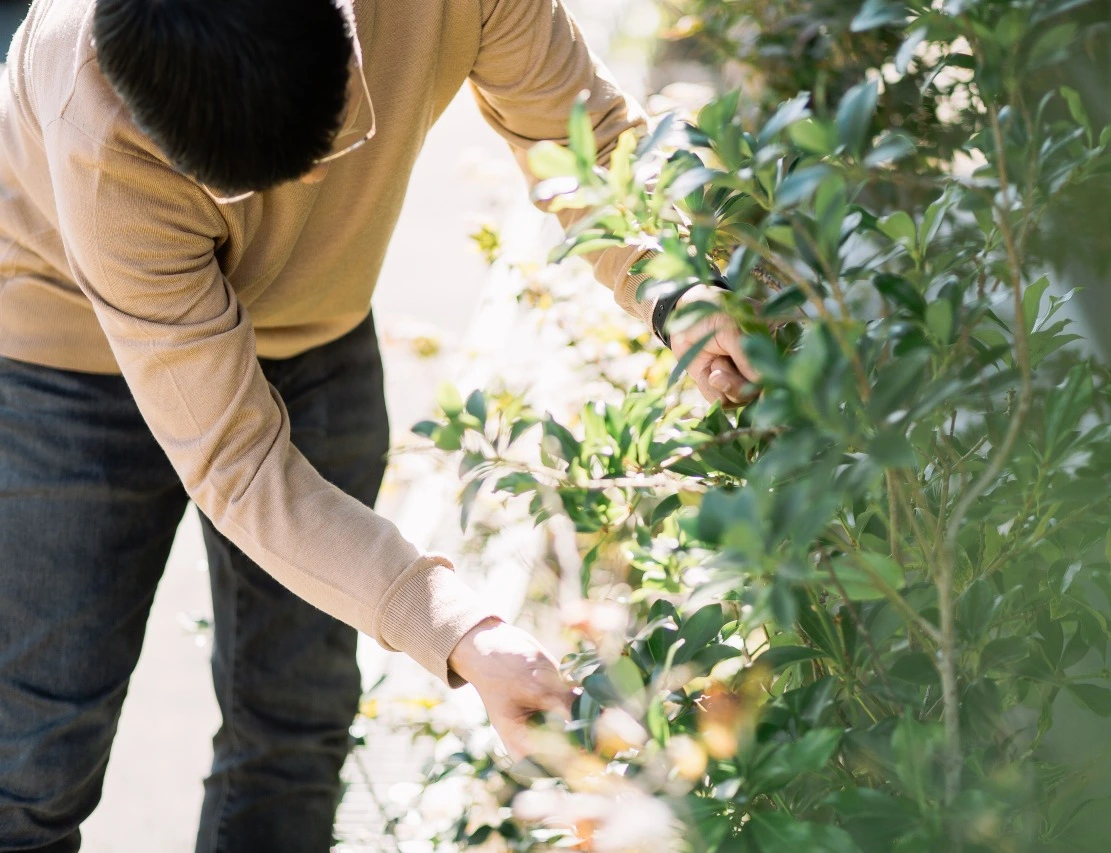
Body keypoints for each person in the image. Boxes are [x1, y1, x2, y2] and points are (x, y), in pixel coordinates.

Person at [0, 0, 757, 850]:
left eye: (330, 139)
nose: (314, 184)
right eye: (252, 183)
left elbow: (585, 140)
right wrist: (458, 624)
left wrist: (678, 292)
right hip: (65, 354)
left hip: (316, 329)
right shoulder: (90, 112)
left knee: (295, 729)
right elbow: (239, 466)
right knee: (34, 757)